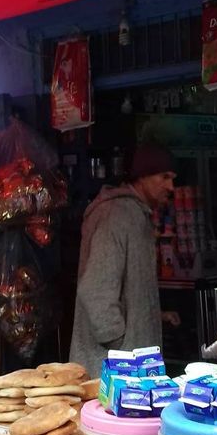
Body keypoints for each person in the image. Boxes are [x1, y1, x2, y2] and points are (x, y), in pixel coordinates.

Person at [69, 142, 179, 378]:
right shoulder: (116, 216)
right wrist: (121, 340)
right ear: (142, 176)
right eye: (164, 177)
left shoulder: (135, 214)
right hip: (113, 369)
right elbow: (95, 290)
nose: (171, 186)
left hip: (128, 365)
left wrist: (149, 316)